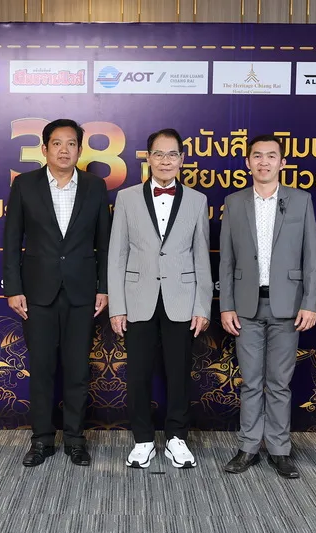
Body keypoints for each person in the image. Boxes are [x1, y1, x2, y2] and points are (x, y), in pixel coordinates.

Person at [3, 118, 111, 467]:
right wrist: (13, 288)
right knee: (42, 369)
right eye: (57, 143)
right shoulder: (25, 185)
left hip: (82, 292)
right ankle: (42, 440)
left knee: (78, 370)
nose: (64, 150)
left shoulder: (95, 186)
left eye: (71, 144)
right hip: (37, 292)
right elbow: (11, 241)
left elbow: (105, 243)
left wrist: (104, 287)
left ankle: (76, 440)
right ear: (45, 148)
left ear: (80, 149)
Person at [108, 128, 213, 469]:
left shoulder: (197, 200)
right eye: (159, 154)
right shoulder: (126, 198)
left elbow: (201, 257)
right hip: (138, 298)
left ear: (182, 159)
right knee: (138, 373)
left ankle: (176, 438)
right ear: (148, 158)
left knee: (179, 373)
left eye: (172, 154)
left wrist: (202, 306)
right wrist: (117, 306)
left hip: (181, 299)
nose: (165, 161)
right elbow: (117, 255)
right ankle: (142, 439)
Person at [218, 135, 316, 478]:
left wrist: (309, 303)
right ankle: (248, 447)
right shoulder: (234, 202)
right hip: (245, 307)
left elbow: (311, 258)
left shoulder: (301, 200)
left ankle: (279, 449)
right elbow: (226, 261)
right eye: (257, 156)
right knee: (250, 382)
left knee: (279, 383)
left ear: (282, 162)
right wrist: (226, 306)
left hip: (288, 306)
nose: (264, 162)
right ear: (248, 162)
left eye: (271, 156)